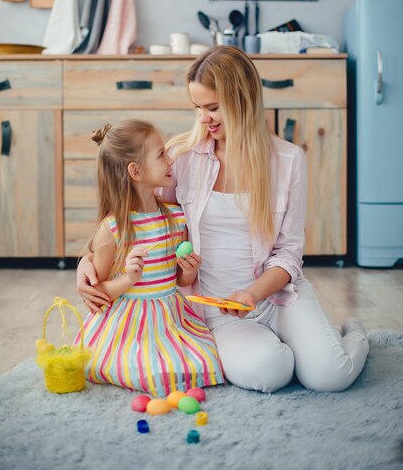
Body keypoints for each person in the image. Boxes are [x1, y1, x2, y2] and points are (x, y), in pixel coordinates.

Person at [77, 46, 369, 394]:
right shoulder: (183, 158)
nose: (203, 118)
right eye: (197, 107)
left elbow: (289, 252)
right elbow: (133, 215)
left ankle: (354, 334)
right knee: (270, 372)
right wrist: (88, 261)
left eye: (213, 107)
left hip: (278, 297)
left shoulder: (289, 160)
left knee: (330, 377)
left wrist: (254, 292)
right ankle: (294, 350)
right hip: (218, 310)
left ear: (242, 100)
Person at [74, 118, 224, 396]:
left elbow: (178, 280)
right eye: (161, 155)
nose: (171, 160)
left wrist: (188, 271)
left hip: (168, 317)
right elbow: (98, 291)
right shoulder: (112, 229)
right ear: (136, 171)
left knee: (203, 360)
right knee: (143, 369)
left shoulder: (176, 218)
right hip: (129, 325)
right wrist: (129, 279)